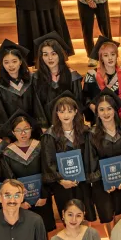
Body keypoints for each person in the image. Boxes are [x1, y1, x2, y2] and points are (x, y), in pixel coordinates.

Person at [41, 95, 94, 223]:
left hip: (82, 183)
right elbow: (48, 162)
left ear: (76, 112)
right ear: (57, 113)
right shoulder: (50, 135)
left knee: (84, 215)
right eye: (62, 111)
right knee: (69, 218)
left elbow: (89, 157)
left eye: (70, 111)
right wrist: (60, 180)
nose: (66, 115)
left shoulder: (84, 132)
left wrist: (87, 176)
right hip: (62, 185)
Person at [1, 112, 55, 231]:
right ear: (13, 132)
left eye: (26, 129)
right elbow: (10, 177)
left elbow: (47, 171)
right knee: (26, 229)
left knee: (44, 227)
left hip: (42, 197)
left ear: (31, 129)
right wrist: (20, 200)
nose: (23, 133)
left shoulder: (40, 146)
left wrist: (44, 195)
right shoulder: (7, 152)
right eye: (18, 130)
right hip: (21, 201)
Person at [89, 91, 121, 226]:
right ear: (97, 112)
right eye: (101, 109)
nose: (106, 113)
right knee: (108, 217)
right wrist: (106, 182)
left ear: (115, 109)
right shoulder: (92, 134)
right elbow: (91, 161)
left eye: (109, 108)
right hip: (102, 184)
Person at [0, 40, 35, 138]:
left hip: (33, 131)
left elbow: (38, 106)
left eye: (14, 61)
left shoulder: (32, 81)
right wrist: (6, 135)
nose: (11, 65)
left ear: (20, 62)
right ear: (2, 64)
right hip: (11, 135)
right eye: (6, 62)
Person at [32, 34, 81, 129]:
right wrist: (44, 127)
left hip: (70, 125)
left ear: (60, 54)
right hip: (46, 127)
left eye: (53, 53)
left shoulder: (72, 76)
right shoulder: (36, 78)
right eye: (45, 54)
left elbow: (78, 103)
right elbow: (37, 106)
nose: (50, 58)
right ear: (41, 57)